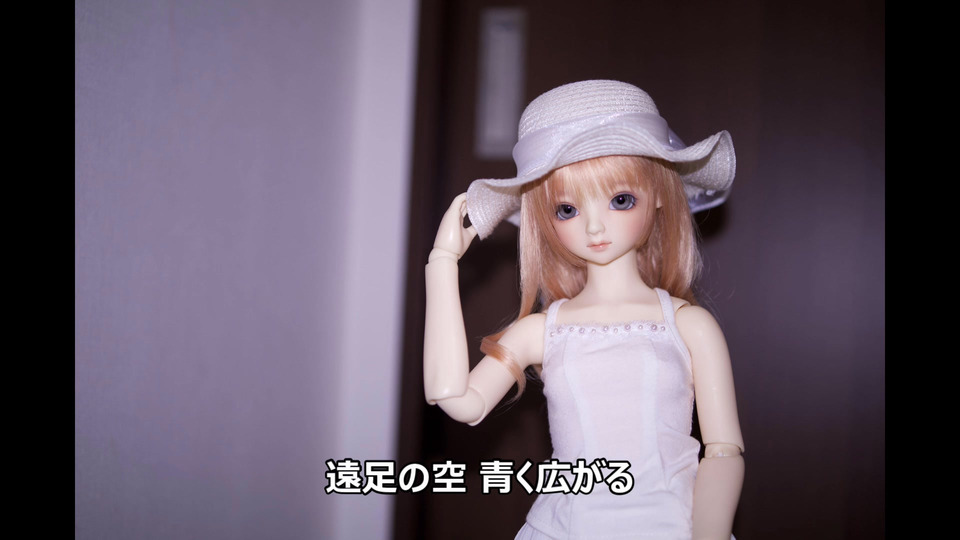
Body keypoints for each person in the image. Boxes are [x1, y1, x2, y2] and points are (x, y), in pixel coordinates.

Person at [424, 80, 744, 540]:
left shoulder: (689, 325)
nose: (594, 227)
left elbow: (724, 452)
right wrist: (442, 265)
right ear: (544, 217)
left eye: (620, 200)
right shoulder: (541, 332)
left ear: (658, 193)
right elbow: (459, 401)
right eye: (567, 209)